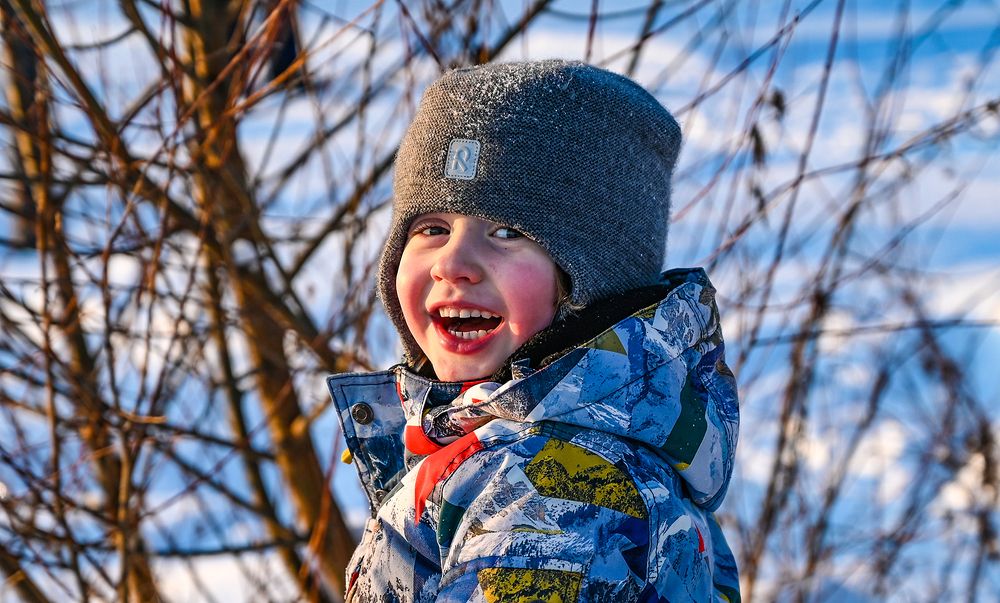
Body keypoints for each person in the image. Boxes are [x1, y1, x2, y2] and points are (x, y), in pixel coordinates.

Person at [327, 59, 741, 602]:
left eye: (505, 231)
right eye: (431, 228)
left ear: (591, 280)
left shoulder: (554, 497)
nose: (452, 263)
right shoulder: (511, 456)